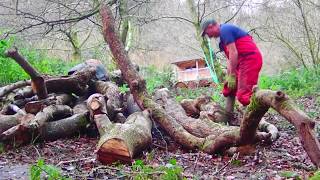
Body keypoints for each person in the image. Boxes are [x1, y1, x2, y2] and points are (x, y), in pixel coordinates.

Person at [200, 19, 263, 115]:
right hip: (241, 61)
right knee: (229, 88)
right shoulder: (223, 37)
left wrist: (232, 75)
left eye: (206, 33)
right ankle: (228, 116)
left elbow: (233, 53)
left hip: (250, 59)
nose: (208, 36)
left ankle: (256, 117)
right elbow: (230, 59)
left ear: (211, 26)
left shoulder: (225, 30)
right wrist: (229, 77)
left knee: (243, 96)